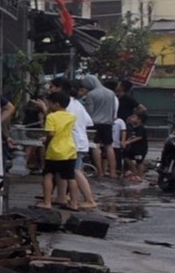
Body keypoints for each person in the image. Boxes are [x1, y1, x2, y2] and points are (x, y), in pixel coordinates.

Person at [52, 79, 100, 208]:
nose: (50, 89)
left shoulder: (65, 105)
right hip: (76, 140)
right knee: (62, 170)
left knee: (75, 171)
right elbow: (88, 121)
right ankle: (61, 197)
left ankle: (89, 200)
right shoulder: (76, 103)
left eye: (52, 87)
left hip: (73, 142)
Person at [40, 93, 80, 209]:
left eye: (50, 104)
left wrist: (45, 141)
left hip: (55, 151)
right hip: (70, 150)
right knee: (70, 177)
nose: (48, 106)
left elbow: (51, 134)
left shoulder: (51, 117)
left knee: (48, 175)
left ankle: (47, 202)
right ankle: (74, 203)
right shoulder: (72, 116)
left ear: (56, 104)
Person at [85, 74, 120, 179]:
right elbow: (114, 110)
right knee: (109, 146)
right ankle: (112, 172)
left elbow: (89, 111)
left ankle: (100, 171)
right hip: (107, 123)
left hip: (94, 123)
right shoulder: (111, 93)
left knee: (95, 146)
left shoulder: (91, 94)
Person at [120, 103, 149, 182]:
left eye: (134, 117)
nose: (131, 118)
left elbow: (139, 137)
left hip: (140, 149)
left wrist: (128, 142)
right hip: (133, 148)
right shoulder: (132, 127)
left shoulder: (141, 128)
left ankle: (140, 176)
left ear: (139, 120)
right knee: (126, 157)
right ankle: (134, 171)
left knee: (139, 162)